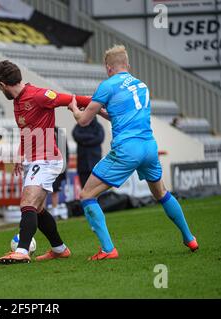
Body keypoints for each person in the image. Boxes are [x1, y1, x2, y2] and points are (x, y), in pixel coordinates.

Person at [67, 45, 198, 261]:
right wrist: (100, 109)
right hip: (149, 146)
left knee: (87, 195)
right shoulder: (142, 85)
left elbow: (82, 121)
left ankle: (108, 249)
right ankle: (189, 237)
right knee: (161, 193)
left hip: (127, 148)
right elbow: (121, 115)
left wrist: (74, 109)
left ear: (108, 68)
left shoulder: (107, 85)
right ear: (127, 65)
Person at [0, 60, 92, 264]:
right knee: (36, 208)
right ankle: (59, 249)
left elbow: (76, 99)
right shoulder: (17, 101)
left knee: (27, 202)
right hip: (32, 159)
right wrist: (21, 154)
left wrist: (106, 106)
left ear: (2, 84)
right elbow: (26, 132)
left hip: (47, 159)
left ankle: (22, 251)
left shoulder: (39, 95)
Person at [72, 119, 104, 187]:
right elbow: (76, 135)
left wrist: (84, 141)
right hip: (82, 164)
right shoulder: (79, 126)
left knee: (95, 188)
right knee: (83, 188)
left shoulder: (98, 127)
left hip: (95, 164)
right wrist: (91, 136)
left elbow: (100, 138)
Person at [50, 127, 69, 219]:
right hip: (46, 166)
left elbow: (66, 151)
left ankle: (55, 212)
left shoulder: (60, 132)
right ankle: (41, 213)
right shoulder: (41, 131)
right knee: (43, 191)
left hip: (58, 166)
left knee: (55, 189)